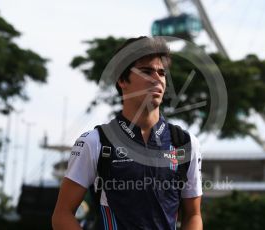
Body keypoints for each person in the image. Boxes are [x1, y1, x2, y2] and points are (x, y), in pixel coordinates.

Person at [52, 36, 203, 230]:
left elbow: (193, 215)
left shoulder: (185, 143)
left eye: (162, 72)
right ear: (122, 80)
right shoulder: (95, 142)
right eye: (147, 71)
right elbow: (62, 215)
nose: (157, 78)